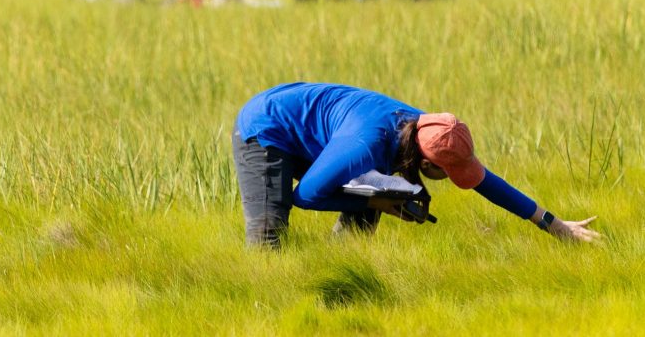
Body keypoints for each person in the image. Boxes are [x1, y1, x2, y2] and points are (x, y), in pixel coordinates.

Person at [233, 82, 601, 248]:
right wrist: (376, 202)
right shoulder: (367, 145)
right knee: (270, 234)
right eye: (444, 173)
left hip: (320, 135)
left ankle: (340, 281)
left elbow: (487, 183)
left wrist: (553, 225)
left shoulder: (431, 129)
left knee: (376, 190)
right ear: (425, 161)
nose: (449, 179)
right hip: (267, 130)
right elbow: (307, 196)